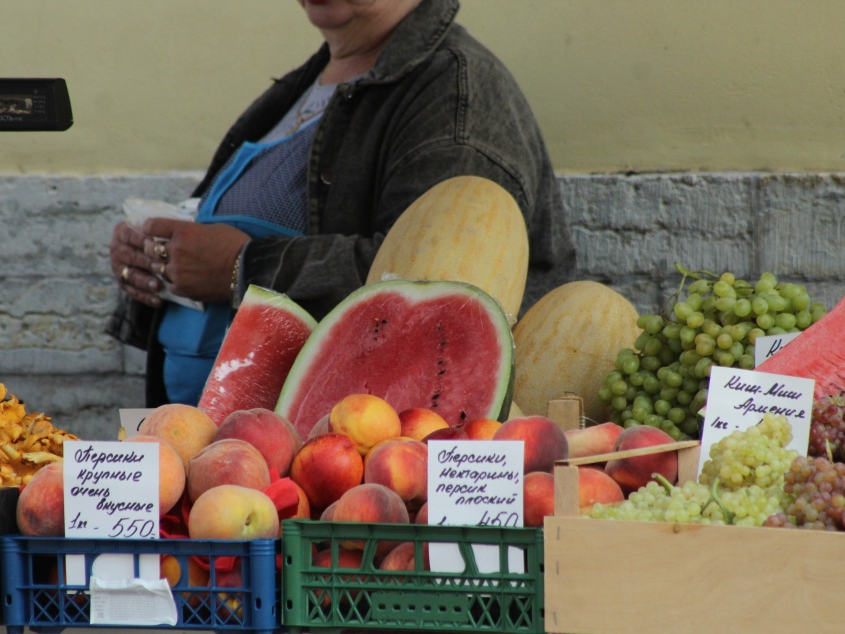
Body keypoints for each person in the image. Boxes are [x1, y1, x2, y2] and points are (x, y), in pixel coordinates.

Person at [107, 0, 574, 407]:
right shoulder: (305, 85)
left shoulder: (454, 93)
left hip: (329, 453)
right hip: (218, 450)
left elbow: (435, 290)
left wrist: (241, 267)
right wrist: (155, 262)